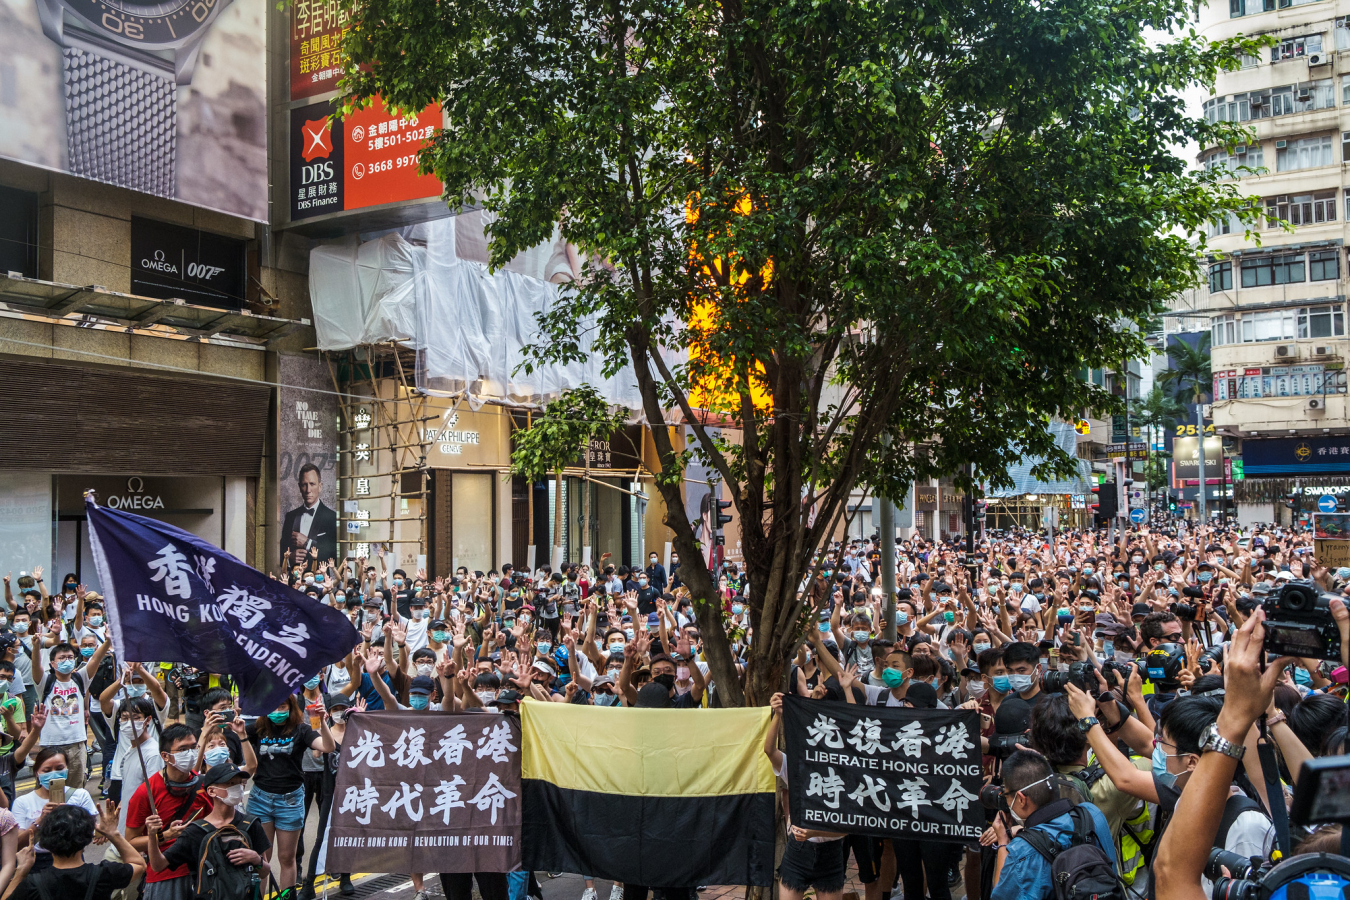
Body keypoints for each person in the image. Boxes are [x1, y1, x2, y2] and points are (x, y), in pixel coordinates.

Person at [982, 749, 1116, 900]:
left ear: (1021, 799)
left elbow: (1002, 895)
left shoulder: (1021, 851)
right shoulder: (1091, 814)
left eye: (1006, 795)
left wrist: (1003, 842)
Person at [244, 694, 333, 895]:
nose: (277, 711)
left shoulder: (301, 730)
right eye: (272, 707)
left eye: (282, 706)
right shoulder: (256, 730)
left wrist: (323, 724)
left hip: (290, 800)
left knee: (287, 858)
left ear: (290, 707)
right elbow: (228, 744)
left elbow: (328, 747)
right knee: (261, 859)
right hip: (260, 799)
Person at [144, 763, 268, 897]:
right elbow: (158, 865)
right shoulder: (194, 832)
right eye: (230, 783)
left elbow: (264, 872)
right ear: (211, 791)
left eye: (240, 783)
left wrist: (256, 859)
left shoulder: (251, 824)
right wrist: (152, 836)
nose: (237, 788)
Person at [8, 802, 142, 900]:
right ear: (87, 839)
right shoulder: (105, 874)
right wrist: (113, 834)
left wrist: (21, 871)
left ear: (45, 842)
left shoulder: (32, 884)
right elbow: (139, 865)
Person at [13, 748, 98, 872]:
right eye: (47, 770)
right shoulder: (22, 802)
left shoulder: (81, 795)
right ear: (37, 773)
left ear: (67, 770)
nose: (53, 774)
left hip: (73, 858)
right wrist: (40, 820)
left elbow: (93, 831)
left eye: (59, 769)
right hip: (37, 862)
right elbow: (18, 844)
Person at [280, 463, 337, 566]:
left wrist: (307, 543)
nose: (308, 490)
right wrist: (288, 559)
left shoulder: (332, 517)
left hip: (320, 581)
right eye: (304, 485)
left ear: (320, 487)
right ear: (299, 487)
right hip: (295, 580)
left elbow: (334, 556)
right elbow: (281, 553)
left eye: (312, 484)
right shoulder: (290, 517)